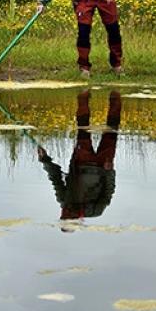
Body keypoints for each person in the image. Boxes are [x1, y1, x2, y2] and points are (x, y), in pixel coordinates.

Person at [38, 91, 121, 223]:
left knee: (83, 128)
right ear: (76, 219)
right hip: (103, 165)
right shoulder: (96, 211)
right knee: (112, 129)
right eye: (68, 216)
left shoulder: (64, 200)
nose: (66, 211)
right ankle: (115, 94)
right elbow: (108, 192)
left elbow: (55, 178)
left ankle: (83, 94)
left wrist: (45, 159)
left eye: (64, 215)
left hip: (81, 162)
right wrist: (109, 171)